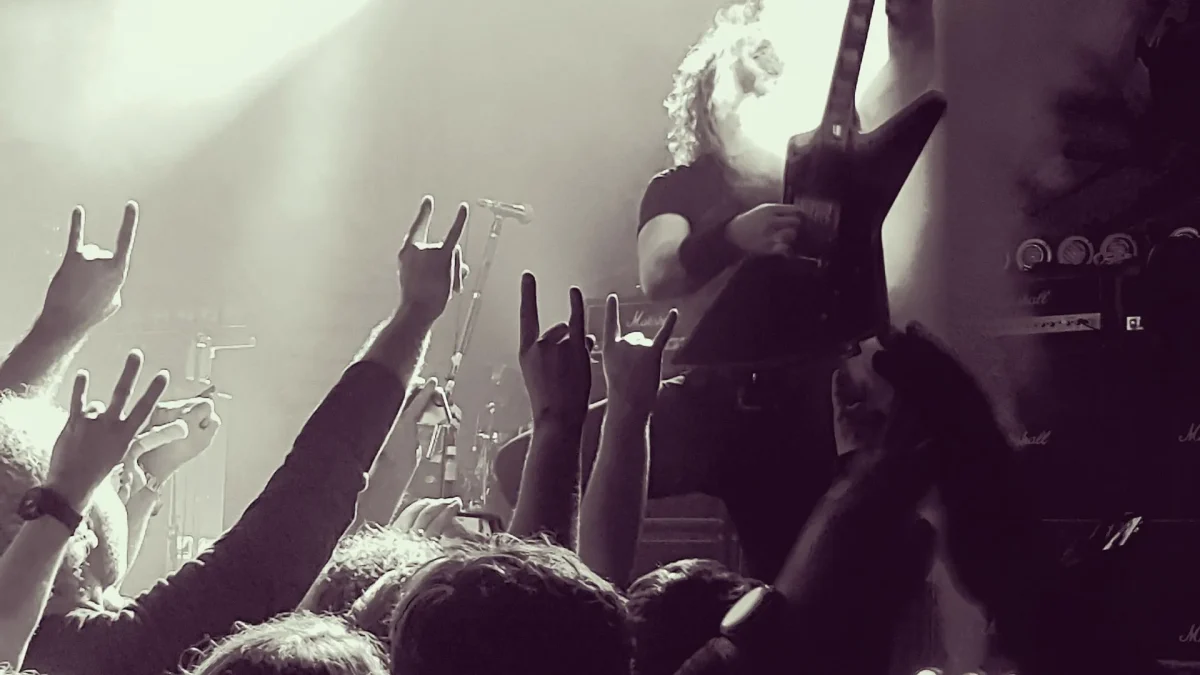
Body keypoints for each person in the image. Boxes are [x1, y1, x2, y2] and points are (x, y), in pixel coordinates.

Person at [493, 0, 937, 580]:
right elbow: (659, 272)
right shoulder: (679, 187)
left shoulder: (808, 170)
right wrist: (733, 236)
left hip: (818, 404)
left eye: (773, 74)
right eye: (751, 77)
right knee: (520, 463)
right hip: (716, 404)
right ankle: (565, 602)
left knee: (801, 585)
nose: (767, 86)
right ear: (712, 97)